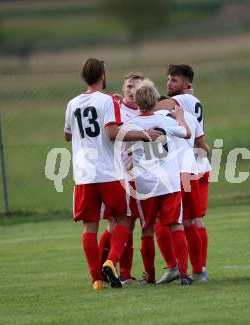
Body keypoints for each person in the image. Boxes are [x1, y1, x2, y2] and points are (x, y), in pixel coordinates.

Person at [64, 58, 161, 289]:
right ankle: (110, 261)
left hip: (84, 175)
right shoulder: (107, 101)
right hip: (108, 172)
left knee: (90, 226)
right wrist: (144, 134)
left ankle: (96, 279)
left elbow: (68, 136)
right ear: (103, 76)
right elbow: (112, 133)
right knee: (121, 220)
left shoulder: (72, 103)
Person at [125, 79, 193, 285]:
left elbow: (124, 143)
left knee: (147, 229)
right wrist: (180, 118)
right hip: (169, 182)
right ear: (155, 99)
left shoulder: (130, 126)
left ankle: (150, 276)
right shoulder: (166, 121)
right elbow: (187, 133)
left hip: (145, 184)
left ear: (136, 102)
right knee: (176, 226)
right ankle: (183, 273)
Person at [156, 64, 211, 280]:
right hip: (197, 165)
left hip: (184, 169)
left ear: (187, 85)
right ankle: (199, 269)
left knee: (177, 220)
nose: (169, 84)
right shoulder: (191, 102)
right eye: (168, 79)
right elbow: (201, 144)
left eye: (174, 80)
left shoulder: (178, 104)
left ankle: (179, 267)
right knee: (193, 220)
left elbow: (148, 103)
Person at [98, 72, 145, 285]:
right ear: (123, 88)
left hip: (141, 176)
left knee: (131, 225)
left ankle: (124, 274)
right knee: (115, 225)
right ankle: (108, 270)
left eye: (137, 87)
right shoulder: (116, 108)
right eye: (129, 86)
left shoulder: (147, 111)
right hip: (118, 175)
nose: (132, 91)